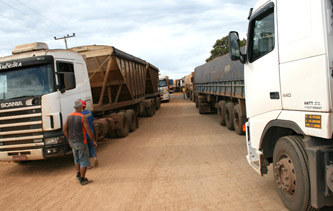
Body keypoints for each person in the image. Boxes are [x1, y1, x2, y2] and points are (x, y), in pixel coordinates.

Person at [63, 100, 97, 186]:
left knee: (76, 158)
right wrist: (93, 140)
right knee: (84, 160)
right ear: (81, 107)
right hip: (81, 141)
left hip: (73, 142)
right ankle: (82, 179)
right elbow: (88, 130)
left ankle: (78, 174)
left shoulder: (68, 116)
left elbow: (64, 129)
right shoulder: (82, 117)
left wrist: (69, 139)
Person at [80, 99, 98, 168]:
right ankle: (95, 157)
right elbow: (93, 120)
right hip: (91, 132)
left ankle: (88, 164)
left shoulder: (80, 115)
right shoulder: (89, 112)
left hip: (84, 134)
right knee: (91, 146)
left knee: (85, 149)